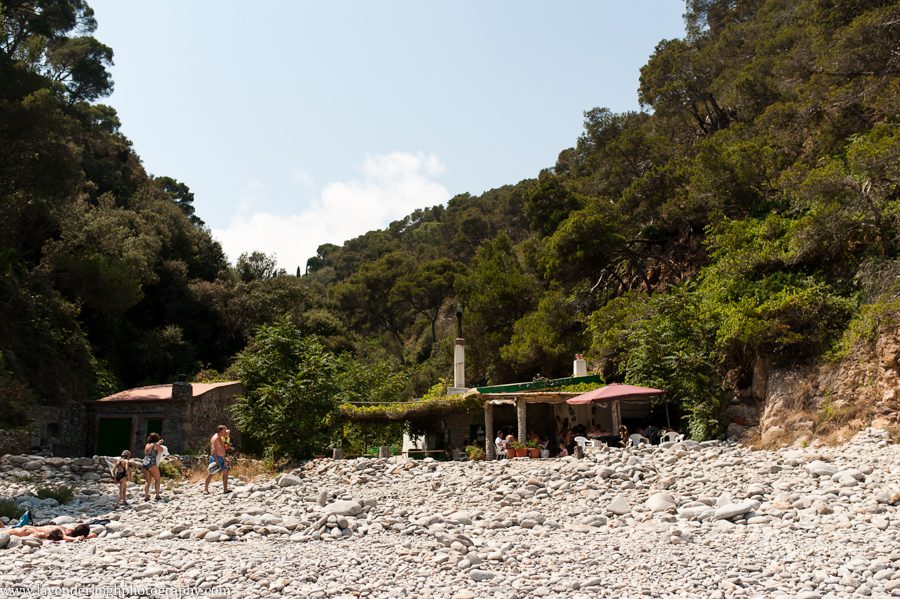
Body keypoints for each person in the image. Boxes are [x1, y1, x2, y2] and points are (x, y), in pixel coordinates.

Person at [0, 522, 95, 542]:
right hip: (27, 530)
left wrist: (78, 537)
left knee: (4, 531)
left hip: (27, 530)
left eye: (73, 527)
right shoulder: (61, 530)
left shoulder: (61, 529)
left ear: (73, 530)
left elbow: (62, 537)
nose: (71, 526)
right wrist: (75, 538)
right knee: (5, 531)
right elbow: (63, 537)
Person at [204, 425, 231, 494]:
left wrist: (227, 434)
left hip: (222, 457)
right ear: (221, 431)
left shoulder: (221, 437)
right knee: (211, 473)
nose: (225, 432)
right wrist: (216, 461)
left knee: (226, 472)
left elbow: (226, 446)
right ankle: (205, 489)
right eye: (224, 431)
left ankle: (225, 489)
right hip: (216, 458)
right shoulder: (215, 438)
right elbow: (213, 450)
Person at [142, 433, 164, 501]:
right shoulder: (154, 444)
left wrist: (158, 443)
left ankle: (146, 496)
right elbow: (161, 450)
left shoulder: (147, 445)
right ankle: (157, 495)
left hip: (145, 463)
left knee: (148, 481)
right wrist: (159, 443)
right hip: (152, 463)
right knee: (157, 479)